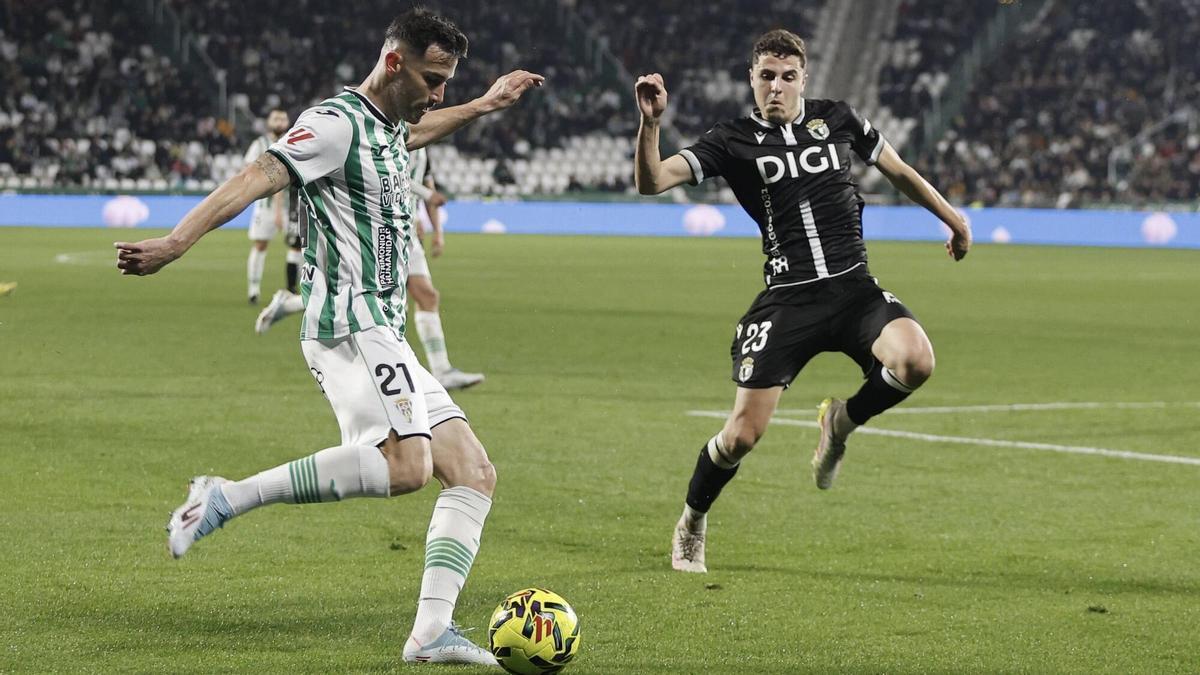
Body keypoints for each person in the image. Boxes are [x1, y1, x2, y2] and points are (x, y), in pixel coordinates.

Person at [115, 8, 543, 664]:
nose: (439, 93)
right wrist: (177, 241)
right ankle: (225, 495)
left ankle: (431, 630)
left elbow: (420, 129)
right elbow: (255, 176)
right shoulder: (336, 124)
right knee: (408, 465)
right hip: (350, 324)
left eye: (448, 81)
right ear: (393, 63)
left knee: (474, 471)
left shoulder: (390, 125)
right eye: (433, 78)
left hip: (385, 332)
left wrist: (485, 104)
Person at [633, 29, 971, 574]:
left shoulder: (837, 119)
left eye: (787, 77)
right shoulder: (731, 139)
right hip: (788, 301)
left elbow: (899, 170)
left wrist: (953, 218)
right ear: (752, 78)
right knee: (743, 435)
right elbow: (652, 182)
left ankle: (842, 421)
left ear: (803, 79)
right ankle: (692, 520)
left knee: (916, 360)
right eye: (767, 75)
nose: (777, 87)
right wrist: (650, 124)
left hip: (854, 289)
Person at [404, 147, 486, 390]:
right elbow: (389, 173)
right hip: (386, 226)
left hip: (408, 229)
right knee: (377, 297)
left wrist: (438, 232)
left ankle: (442, 371)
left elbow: (427, 185)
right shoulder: (394, 130)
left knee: (427, 296)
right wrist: (427, 195)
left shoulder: (422, 146)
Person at [243, 108, 299, 304]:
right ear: (268, 122)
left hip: (292, 206)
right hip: (265, 206)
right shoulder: (259, 144)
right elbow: (248, 169)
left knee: (297, 246)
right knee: (260, 244)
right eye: (275, 118)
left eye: (283, 117)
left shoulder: (294, 140)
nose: (279, 121)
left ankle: (292, 288)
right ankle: (253, 290)